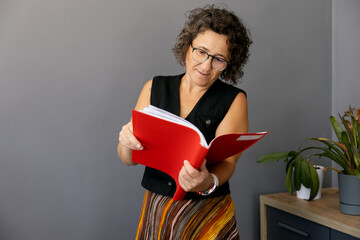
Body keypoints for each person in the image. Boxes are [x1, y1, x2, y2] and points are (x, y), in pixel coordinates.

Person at [118, 5, 252, 240]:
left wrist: (207, 182)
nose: (206, 65)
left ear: (229, 64)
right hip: (157, 209)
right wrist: (126, 140)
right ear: (187, 49)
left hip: (207, 213)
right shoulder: (154, 88)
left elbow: (228, 164)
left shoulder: (234, 100)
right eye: (201, 51)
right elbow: (127, 160)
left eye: (219, 59)